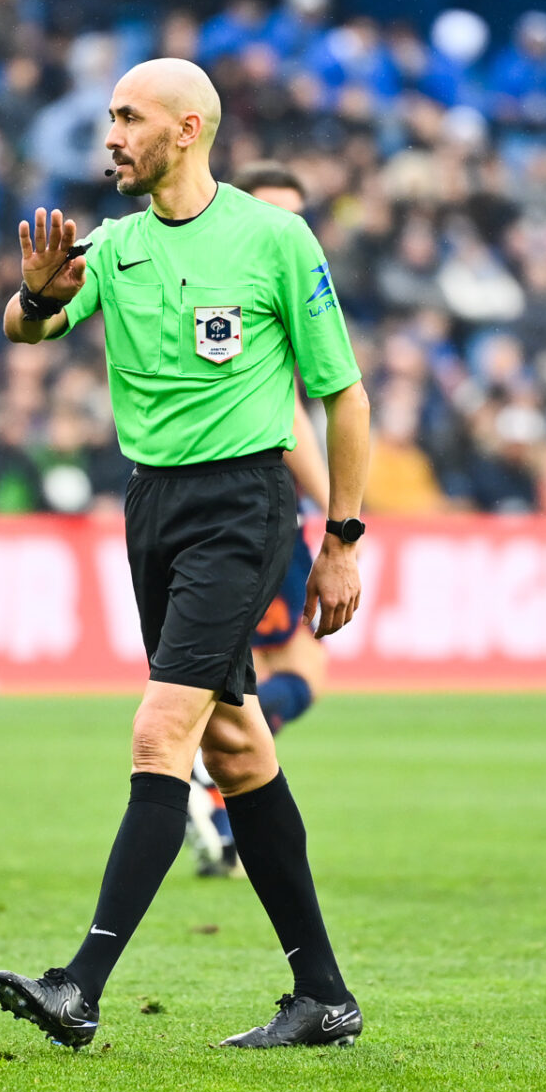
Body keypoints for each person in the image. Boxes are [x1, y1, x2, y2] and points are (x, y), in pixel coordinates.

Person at [0, 59, 372, 1050]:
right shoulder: (111, 249)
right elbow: (25, 330)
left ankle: (80, 982)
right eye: (110, 119)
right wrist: (32, 297)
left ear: (188, 128)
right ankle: (323, 995)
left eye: (129, 117)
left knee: (162, 733)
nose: (111, 135)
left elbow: (344, 394)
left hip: (243, 505)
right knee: (236, 744)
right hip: (151, 506)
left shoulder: (273, 239)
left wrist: (341, 540)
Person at [185, 161, 333, 880]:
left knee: (252, 673)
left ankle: (222, 819)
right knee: (291, 670)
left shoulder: (246, 278)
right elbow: (286, 417)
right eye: (277, 210)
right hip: (257, 506)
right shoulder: (253, 291)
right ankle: (198, 778)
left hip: (225, 503)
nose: (290, 227)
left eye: (299, 214)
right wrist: (343, 509)